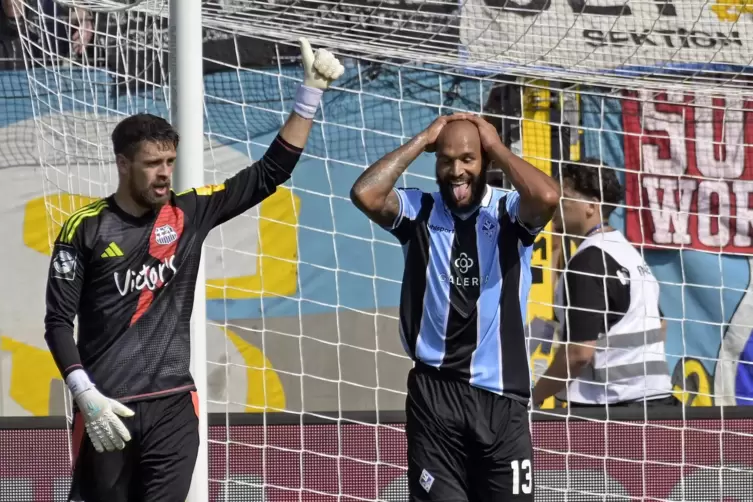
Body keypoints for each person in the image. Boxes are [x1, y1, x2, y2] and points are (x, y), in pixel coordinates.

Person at [44, 38, 344, 502]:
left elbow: (269, 173)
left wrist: (311, 91)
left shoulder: (190, 213)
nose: (165, 174)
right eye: (152, 164)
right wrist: (84, 393)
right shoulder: (84, 229)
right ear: (123, 164)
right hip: (106, 407)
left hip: (174, 407)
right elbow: (58, 322)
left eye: (169, 162)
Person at [350, 113, 560, 501]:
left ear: (485, 162)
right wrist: (422, 138)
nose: (456, 171)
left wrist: (495, 146)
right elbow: (366, 193)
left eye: (468, 159)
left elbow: (547, 197)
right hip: (436, 396)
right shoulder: (420, 210)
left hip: (502, 401)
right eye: (446, 160)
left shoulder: (509, 212)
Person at [531, 160, 676, 408]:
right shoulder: (627, 252)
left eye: (564, 196)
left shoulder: (589, 261)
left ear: (592, 205)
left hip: (612, 409)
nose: (556, 203)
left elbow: (579, 354)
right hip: (657, 401)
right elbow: (661, 325)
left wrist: (533, 397)